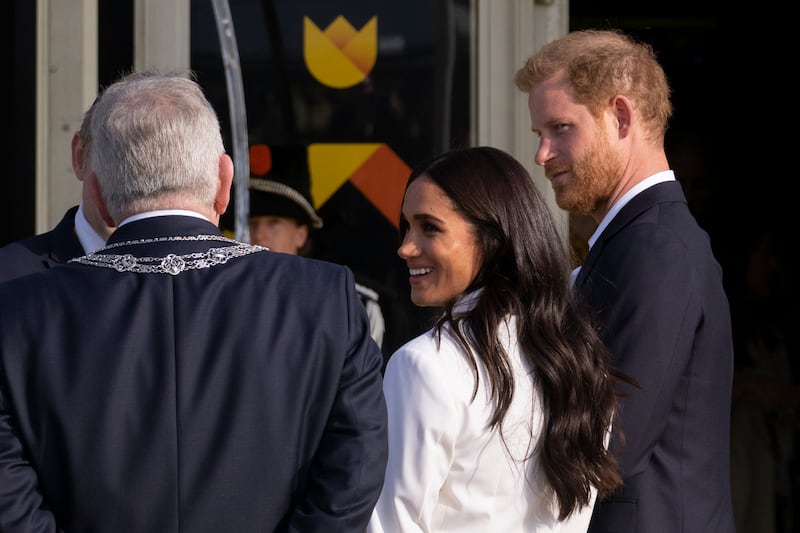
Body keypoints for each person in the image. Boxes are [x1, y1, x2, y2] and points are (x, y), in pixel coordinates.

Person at [0, 71, 388, 532]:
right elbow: (353, 472)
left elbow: (10, 493)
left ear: (100, 196)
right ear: (225, 181)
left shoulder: (18, 310)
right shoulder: (325, 299)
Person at [514, 29, 736, 532]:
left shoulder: (653, 248)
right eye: (539, 135)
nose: (542, 155)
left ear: (620, 116)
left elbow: (608, 443)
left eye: (560, 128)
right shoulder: (640, 241)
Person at [368, 145, 629, 532]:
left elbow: (390, 526)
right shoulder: (578, 357)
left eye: (430, 227)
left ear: (493, 238)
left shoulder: (424, 365)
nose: (405, 247)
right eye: (406, 226)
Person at [247, 143, 386, 349]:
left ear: (301, 235)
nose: (258, 234)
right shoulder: (229, 298)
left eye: (273, 222)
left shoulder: (351, 306)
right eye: (253, 223)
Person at [0, 92, 111, 281]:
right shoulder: (8, 276)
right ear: (80, 157)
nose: (139, 183)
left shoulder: (178, 282)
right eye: (116, 158)